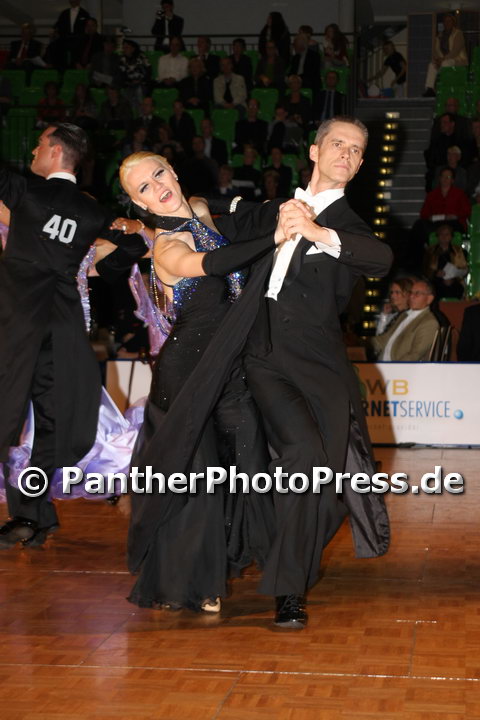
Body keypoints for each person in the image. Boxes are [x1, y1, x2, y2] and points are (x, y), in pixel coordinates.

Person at [236, 117, 392, 627]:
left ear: (361, 164)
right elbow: (214, 220)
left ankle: (287, 560)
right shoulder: (275, 208)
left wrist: (317, 232)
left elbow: (381, 259)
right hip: (263, 354)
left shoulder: (349, 226)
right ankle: (289, 589)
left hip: (321, 364)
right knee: (303, 454)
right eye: (338, 144)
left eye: (357, 149)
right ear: (314, 150)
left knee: (328, 481)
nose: (347, 153)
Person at [117, 151, 284, 612]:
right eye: (144, 188)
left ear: (172, 169)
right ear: (138, 203)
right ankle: (195, 580)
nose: (157, 187)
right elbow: (214, 264)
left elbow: (234, 210)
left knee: (251, 460)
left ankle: (274, 565)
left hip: (230, 368)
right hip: (187, 374)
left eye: (158, 174)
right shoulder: (167, 247)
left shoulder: (200, 208)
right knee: (196, 478)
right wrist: (274, 237)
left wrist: (286, 208)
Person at [0, 123, 147, 548]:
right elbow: (135, 246)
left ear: (54, 150)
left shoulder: (27, 192)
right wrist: (101, 265)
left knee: (12, 420)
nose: (32, 151)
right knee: (49, 423)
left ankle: (30, 514)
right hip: (62, 325)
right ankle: (31, 515)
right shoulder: (92, 211)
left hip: (17, 323)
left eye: (38, 144)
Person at [370, 278, 439, 361]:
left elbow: (415, 355)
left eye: (417, 293)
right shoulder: (404, 315)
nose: (411, 296)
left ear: (429, 299)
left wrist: (393, 366)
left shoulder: (429, 322)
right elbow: (384, 339)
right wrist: (364, 345)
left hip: (397, 366)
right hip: (381, 364)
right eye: (411, 293)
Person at [423, 13, 468, 96]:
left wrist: (442, 59)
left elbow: (455, 51)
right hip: (442, 60)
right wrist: (437, 60)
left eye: (449, 21)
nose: (447, 23)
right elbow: (435, 51)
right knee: (431, 65)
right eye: (445, 21)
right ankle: (430, 89)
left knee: (445, 63)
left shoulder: (458, 33)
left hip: (457, 60)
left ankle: (445, 89)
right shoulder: (439, 36)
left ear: (453, 22)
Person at [423, 222, 467, 299]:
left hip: (455, 282)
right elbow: (425, 269)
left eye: (447, 234)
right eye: (441, 234)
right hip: (435, 282)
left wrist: (452, 278)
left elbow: (464, 269)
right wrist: (435, 273)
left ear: (451, 237)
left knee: (456, 288)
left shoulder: (459, 251)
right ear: (438, 237)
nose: (444, 237)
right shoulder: (430, 251)